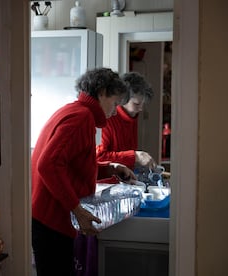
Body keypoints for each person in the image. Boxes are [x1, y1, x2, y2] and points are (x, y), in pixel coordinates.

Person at [31, 67, 136, 276]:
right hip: (52, 222)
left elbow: (71, 165)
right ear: (102, 92)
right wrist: (77, 210)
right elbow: (48, 165)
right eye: (115, 103)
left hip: (45, 220)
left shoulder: (73, 111)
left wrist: (109, 167)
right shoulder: (81, 118)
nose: (115, 111)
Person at [96, 71, 156, 172]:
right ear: (123, 99)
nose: (141, 109)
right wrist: (135, 156)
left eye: (143, 104)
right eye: (136, 104)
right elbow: (99, 156)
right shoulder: (107, 118)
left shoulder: (132, 116)